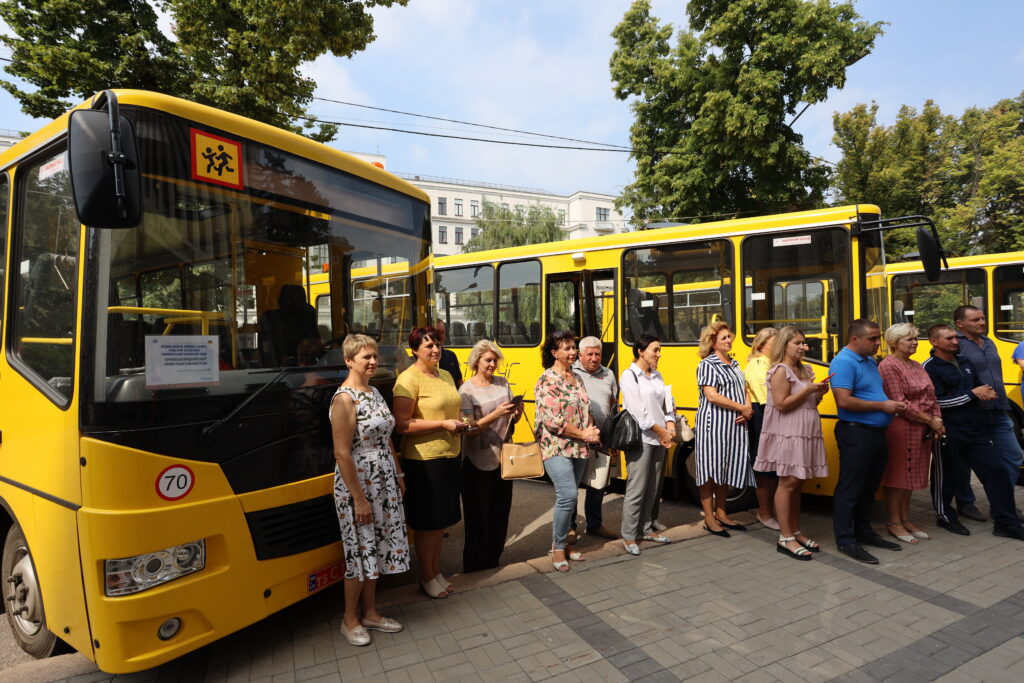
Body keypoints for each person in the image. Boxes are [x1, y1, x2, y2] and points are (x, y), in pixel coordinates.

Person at [329, 334, 409, 646]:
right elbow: (342, 453)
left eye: (375, 356)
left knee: (377, 546)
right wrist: (359, 499)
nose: (373, 361)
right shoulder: (344, 399)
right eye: (366, 357)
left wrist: (398, 473)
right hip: (358, 483)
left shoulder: (374, 391)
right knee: (359, 550)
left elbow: (387, 434)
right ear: (349, 360)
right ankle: (349, 619)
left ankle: (371, 612)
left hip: (383, 479)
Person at [923, 324, 1024, 540]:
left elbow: (979, 388)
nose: (955, 341)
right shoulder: (930, 367)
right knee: (946, 478)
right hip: (948, 431)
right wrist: (972, 394)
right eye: (949, 338)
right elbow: (936, 403)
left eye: (956, 338)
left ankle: (1006, 522)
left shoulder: (965, 361)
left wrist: (984, 393)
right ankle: (946, 517)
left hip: (975, 429)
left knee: (997, 472)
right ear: (934, 342)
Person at [392, 326, 468, 598]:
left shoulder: (445, 374)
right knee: (427, 522)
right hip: (424, 460)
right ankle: (426, 577)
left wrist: (459, 422)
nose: (436, 350)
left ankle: (436, 572)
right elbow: (401, 425)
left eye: (437, 344)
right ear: (415, 351)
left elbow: (454, 407)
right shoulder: (407, 379)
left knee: (442, 521)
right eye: (428, 346)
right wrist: (443, 424)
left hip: (450, 454)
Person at [830, 319, 907, 564]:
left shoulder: (868, 360)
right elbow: (843, 401)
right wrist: (883, 405)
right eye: (872, 339)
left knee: (869, 487)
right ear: (855, 339)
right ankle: (845, 539)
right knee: (850, 488)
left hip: (875, 434)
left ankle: (864, 531)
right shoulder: (843, 362)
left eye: (878, 338)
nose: (878, 343)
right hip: (856, 433)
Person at [754, 326, 829, 560]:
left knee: (798, 482)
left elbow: (810, 403)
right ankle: (785, 537)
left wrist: (819, 392)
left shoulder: (805, 370)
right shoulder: (780, 370)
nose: (802, 347)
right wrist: (807, 389)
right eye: (797, 342)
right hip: (788, 432)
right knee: (788, 482)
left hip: (804, 431)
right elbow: (782, 404)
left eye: (803, 342)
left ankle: (795, 530)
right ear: (784, 345)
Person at [534, 330, 600, 572]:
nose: (573, 352)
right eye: (567, 348)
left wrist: (593, 431)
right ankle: (558, 547)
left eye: (574, 348)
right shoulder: (546, 380)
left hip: (579, 448)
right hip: (556, 447)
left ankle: (569, 544)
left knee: (572, 500)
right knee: (568, 495)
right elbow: (551, 420)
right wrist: (583, 434)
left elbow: (584, 408)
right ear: (554, 352)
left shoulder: (577, 377)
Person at [459, 340, 521, 572]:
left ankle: (494, 561)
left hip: (504, 462)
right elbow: (468, 430)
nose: (493, 364)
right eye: (488, 360)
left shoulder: (503, 384)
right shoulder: (466, 390)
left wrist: (515, 413)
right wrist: (495, 414)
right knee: (477, 518)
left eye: (495, 360)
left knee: (500, 514)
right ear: (476, 361)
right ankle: (475, 568)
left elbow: (510, 422)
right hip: (476, 463)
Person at [878, 323, 943, 545]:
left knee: (913, 475)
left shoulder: (916, 364)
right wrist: (931, 420)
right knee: (898, 476)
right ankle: (894, 522)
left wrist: (937, 419)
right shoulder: (889, 366)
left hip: (922, 426)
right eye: (909, 339)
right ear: (894, 343)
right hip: (902, 426)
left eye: (915, 338)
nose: (915, 342)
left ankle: (906, 518)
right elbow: (900, 402)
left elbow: (932, 396)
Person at [954, 306, 1023, 511]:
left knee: (1014, 455)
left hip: (998, 409)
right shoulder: (956, 344)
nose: (981, 322)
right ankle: (966, 503)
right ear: (960, 324)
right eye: (975, 320)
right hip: (973, 412)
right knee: (965, 461)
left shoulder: (989, 342)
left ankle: (1002, 503)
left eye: (983, 318)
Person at [694, 321, 754, 538]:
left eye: (730, 337)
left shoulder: (735, 363)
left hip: (734, 426)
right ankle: (709, 518)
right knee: (709, 471)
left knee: (725, 468)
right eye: (724, 338)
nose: (729, 340)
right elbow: (711, 395)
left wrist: (747, 408)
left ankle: (722, 512)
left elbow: (743, 387)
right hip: (713, 427)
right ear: (713, 342)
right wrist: (741, 407)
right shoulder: (707, 365)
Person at [619, 334, 675, 555]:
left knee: (653, 488)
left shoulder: (657, 376)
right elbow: (639, 413)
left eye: (659, 350)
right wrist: (662, 432)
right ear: (640, 351)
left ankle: (645, 528)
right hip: (642, 439)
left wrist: (670, 427)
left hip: (660, 438)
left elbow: (667, 405)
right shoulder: (629, 375)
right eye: (655, 350)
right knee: (637, 488)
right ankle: (629, 535)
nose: (659, 354)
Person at [572, 336, 619, 540]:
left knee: (598, 484)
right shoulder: (571, 373)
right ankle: (570, 527)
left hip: (602, 440)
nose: (594, 358)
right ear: (580, 355)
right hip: (577, 438)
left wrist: (614, 437)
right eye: (589, 354)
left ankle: (595, 524)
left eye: (597, 354)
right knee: (571, 486)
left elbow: (613, 403)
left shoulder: (608, 374)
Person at [744, 326, 780, 530]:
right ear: (762, 344)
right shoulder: (759, 365)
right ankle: (765, 513)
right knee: (765, 470)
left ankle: (771, 511)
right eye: (774, 342)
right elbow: (768, 396)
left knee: (772, 469)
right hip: (764, 416)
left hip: (769, 415)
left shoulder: (771, 363)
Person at [435, 320, 463, 388]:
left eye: (443, 333)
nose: (442, 336)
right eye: (438, 333)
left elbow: (459, 381)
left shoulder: (451, 356)